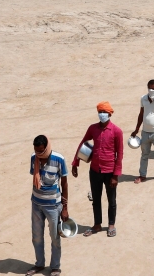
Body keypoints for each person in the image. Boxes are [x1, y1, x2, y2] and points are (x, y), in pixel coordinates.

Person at [72, 102, 123, 237]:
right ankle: (97, 224)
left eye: (104, 112)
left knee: (111, 200)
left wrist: (115, 175)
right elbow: (83, 143)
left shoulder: (117, 131)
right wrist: (75, 163)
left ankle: (111, 224)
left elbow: (120, 154)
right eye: (99, 111)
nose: (101, 114)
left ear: (109, 114)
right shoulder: (93, 128)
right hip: (94, 170)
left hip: (109, 171)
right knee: (96, 199)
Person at [29, 135, 69, 276]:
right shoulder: (34, 158)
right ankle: (39, 264)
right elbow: (35, 177)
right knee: (36, 237)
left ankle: (55, 267)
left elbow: (64, 183)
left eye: (41, 151)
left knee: (55, 237)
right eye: (36, 151)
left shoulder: (59, 159)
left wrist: (65, 208)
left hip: (53, 206)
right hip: (36, 204)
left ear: (46, 148)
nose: (38, 154)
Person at [130, 80, 154, 184]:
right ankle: (142, 175)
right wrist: (137, 129)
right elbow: (141, 114)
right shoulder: (143, 99)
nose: (151, 90)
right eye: (150, 88)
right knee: (144, 154)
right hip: (145, 132)